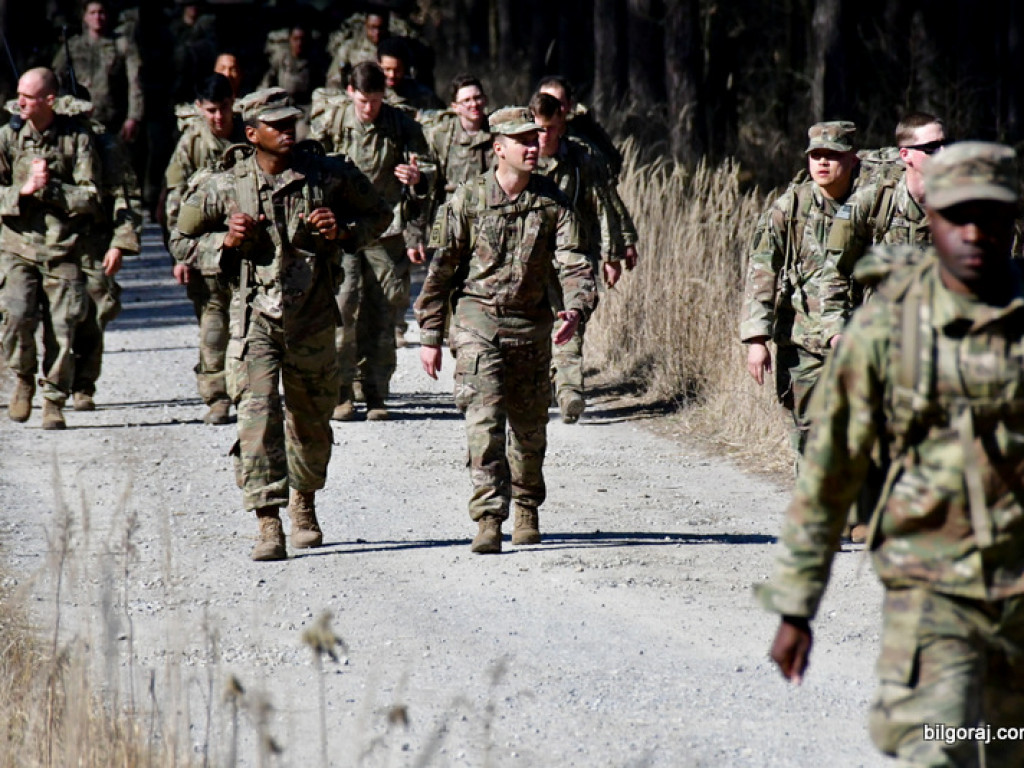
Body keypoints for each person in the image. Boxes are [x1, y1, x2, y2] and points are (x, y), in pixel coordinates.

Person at [760, 141, 1024, 767]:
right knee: (942, 751)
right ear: (930, 218)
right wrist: (798, 604)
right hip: (935, 597)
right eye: (958, 214)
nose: (975, 231)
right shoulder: (889, 327)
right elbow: (830, 474)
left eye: (992, 214)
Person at [169, 87, 392, 561]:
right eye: (277, 125)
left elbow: (379, 214)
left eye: (293, 122)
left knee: (311, 424)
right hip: (254, 321)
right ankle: (268, 521)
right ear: (252, 134)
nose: (289, 131)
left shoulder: (328, 175)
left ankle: (303, 502)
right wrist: (224, 245)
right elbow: (181, 240)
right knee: (257, 420)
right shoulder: (223, 185)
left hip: (312, 319)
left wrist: (345, 231)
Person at [415, 106, 597, 554]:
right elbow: (442, 270)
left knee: (530, 429)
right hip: (478, 323)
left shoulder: (552, 202)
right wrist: (431, 334)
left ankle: (527, 506)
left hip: (532, 326)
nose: (534, 147)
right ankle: (489, 518)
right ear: (499, 148)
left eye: (536, 139)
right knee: (484, 423)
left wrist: (575, 309)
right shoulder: (467, 199)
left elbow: (575, 263)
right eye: (523, 141)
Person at [310, 62, 433, 420]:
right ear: (351, 92)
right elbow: (308, 163)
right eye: (364, 100)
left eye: (377, 100)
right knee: (343, 305)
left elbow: (429, 168)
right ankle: (341, 391)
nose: (370, 108)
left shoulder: (400, 124)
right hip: (343, 229)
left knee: (382, 309)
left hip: (385, 228)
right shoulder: (332, 121)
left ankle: (376, 391)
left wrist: (417, 177)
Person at [740, 120, 867, 455]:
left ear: (852, 159)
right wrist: (757, 339)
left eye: (832, 155)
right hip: (802, 342)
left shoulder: (871, 206)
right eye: (816, 155)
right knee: (807, 435)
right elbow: (762, 269)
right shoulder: (790, 208)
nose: (822, 163)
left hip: (858, 341)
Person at [0, 68, 100, 430]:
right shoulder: (7, 139)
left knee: (63, 328)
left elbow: (90, 197)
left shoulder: (78, 140)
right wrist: (23, 189)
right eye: (18, 95)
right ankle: (23, 379)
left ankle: (54, 397)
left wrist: (52, 189)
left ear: (50, 101)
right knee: (15, 318)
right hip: (17, 247)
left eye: (28, 96)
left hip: (63, 248)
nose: (19, 102)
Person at [530, 91, 625, 423]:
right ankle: (543, 382)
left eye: (552, 128)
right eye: (539, 129)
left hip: (574, 253)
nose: (545, 137)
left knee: (571, 317)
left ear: (562, 125)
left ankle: (570, 389)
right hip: (530, 258)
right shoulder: (520, 160)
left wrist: (613, 254)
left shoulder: (582, 159)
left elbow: (605, 205)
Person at [164, 73, 246, 425]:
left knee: (250, 324)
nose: (218, 117)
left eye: (224, 108)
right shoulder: (191, 144)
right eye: (211, 110)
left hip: (247, 244)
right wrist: (180, 256)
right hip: (206, 249)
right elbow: (174, 202)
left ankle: (248, 391)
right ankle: (216, 395)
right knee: (213, 324)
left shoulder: (250, 135)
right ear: (199, 108)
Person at [65, 93, 141, 412]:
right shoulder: (29, 138)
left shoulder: (104, 144)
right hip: (42, 241)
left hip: (93, 239)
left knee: (96, 309)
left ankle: (83, 385)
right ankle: (45, 380)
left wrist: (120, 243)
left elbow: (125, 196)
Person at [537, 74, 639, 272]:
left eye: (556, 103)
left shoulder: (584, 150)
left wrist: (624, 241)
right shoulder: (523, 147)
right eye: (544, 100)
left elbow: (605, 198)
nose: (549, 107)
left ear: (568, 106)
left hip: (577, 244)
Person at [52, 0, 143, 143]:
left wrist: (133, 117)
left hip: (112, 119)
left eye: (101, 13)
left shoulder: (122, 44)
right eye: (92, 13)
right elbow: (55, 78)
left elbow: (135, 82)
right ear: (85, 17)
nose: (97, 17)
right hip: (79, 119)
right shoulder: (72, 46)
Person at [423, 74, 493, 206]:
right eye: (466, 100)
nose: (473, 104)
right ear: (455, 107)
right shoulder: (441, 136)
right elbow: (430, 178)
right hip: (453, 210)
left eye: (477, 98)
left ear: (485, 100)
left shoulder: (498, 132)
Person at [377, 37, 443, 115]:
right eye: (387, 69)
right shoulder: (370, 94)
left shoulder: (424, 96)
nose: (392, 75)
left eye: (397, 70)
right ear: (379, 65)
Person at [326, 11, 388, 91]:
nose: (377, 32)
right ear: (366, 25)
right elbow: (334, 80)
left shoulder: (395, 47)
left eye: (381, 28)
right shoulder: (350, 47)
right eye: (372, 27)